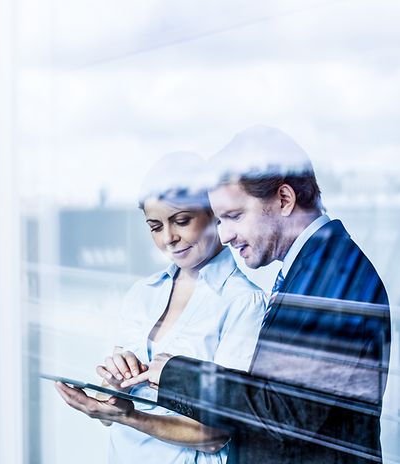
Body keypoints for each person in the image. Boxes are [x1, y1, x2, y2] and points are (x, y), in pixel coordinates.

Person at [121, 126, 392, 463]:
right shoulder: (315, 268)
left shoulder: (334, 274)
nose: (226, 235)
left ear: (284, 199)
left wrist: (177, 373)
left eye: (234, 216)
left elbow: (285, 411)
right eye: (220, 220)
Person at [55, 151, 266, 463]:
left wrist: (130, 417)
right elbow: (110, 409)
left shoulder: (243, 303)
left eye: (182, 221)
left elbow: (217, 433)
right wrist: (109, 389)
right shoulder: (142, 294)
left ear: (214, 214)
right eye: (155, 226)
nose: (169, 238)